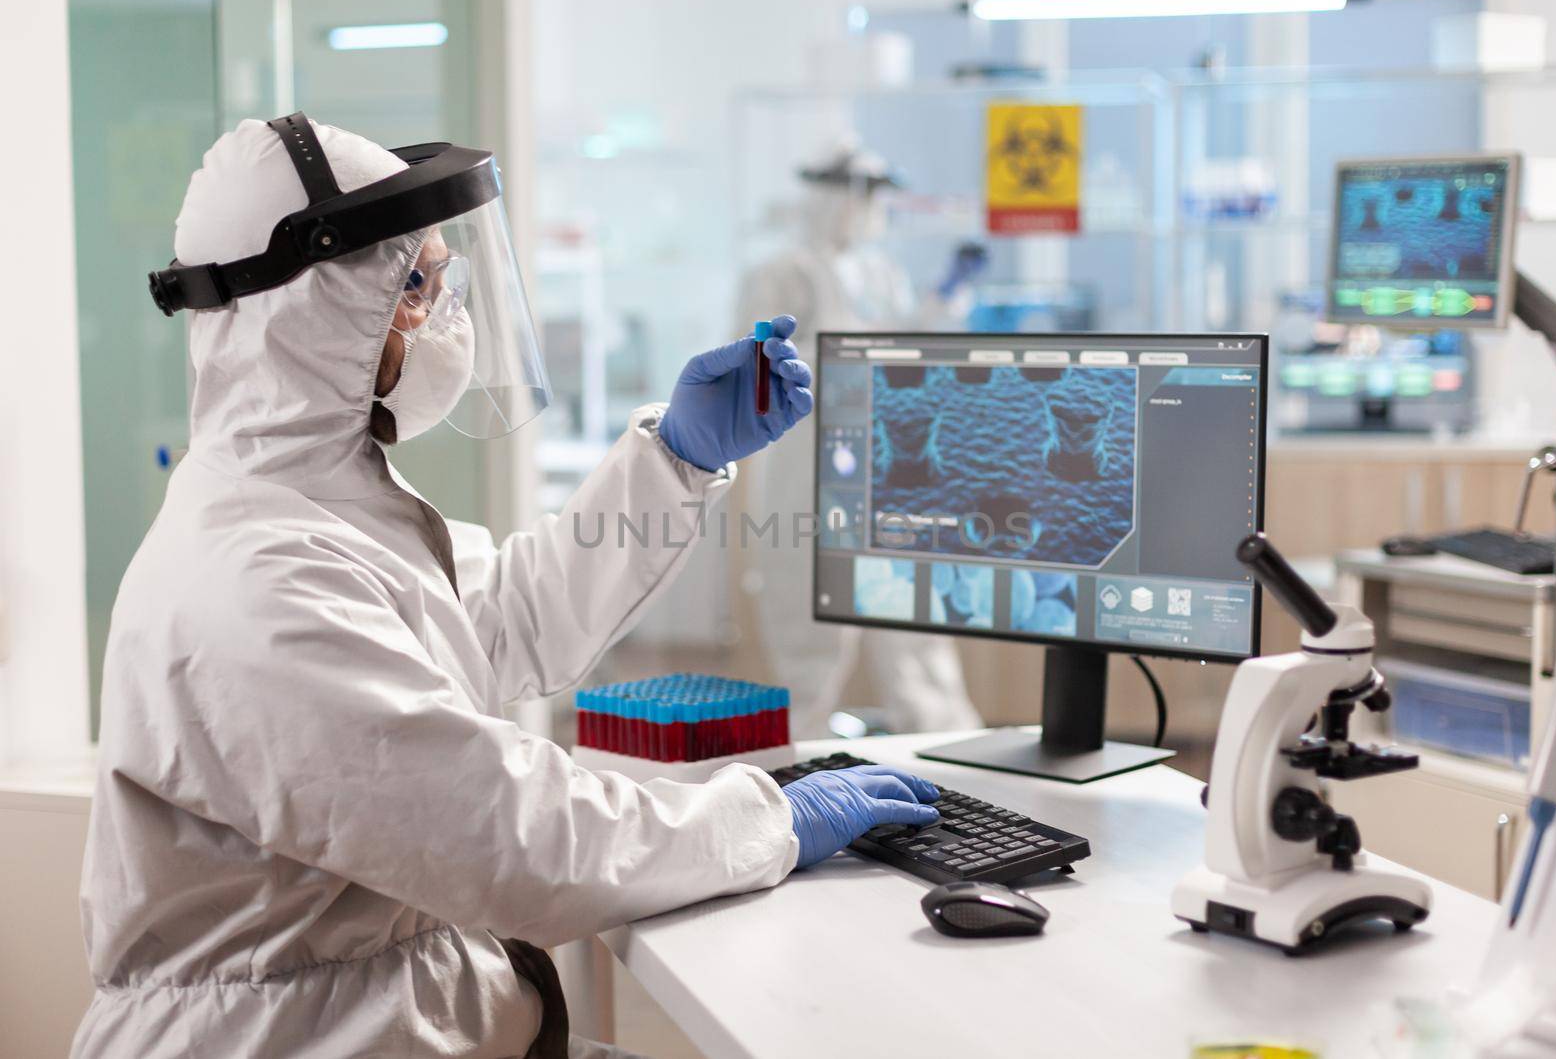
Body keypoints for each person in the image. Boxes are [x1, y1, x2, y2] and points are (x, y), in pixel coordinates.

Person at [74, 115, 940, 1059]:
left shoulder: (323, 509)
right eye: (416, 286)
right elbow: (523, 844)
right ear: (315, 310)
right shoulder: (258, 580)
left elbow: (511, 618)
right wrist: (766, 817)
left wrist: (674, 460)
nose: (450, 315)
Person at [735, 140, 988, 737]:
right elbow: (753, 367)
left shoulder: (880, 272)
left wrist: (946, 296)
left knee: (912, 619)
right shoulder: (785, 273)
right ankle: (799, 756)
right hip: (813, 465)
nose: (870, 210)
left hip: (895, 461)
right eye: (862, 196)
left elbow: (909, 346)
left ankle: (945, 744)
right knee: (808, 619)